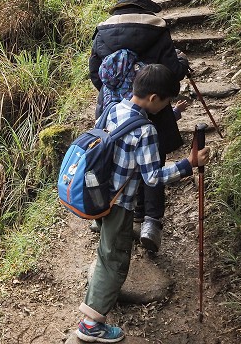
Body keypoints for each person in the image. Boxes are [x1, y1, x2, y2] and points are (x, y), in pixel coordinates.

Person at [74, 64, 210, 343]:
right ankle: (91, 325)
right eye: (166, 101)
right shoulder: (146, 130)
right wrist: (189, 164)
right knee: (114, 261)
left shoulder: (113, 108)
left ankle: (93, 305)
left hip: (97, 193)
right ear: (153, 98)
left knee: (107, 252)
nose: (166, 106)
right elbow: (153, 178)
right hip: (120, 202)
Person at [88, 0, 190, 252]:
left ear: (121, 4)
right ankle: (150, 222)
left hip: (113, 107)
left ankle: (109, 210)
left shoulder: (102, 30)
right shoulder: (157, 28)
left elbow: (94, 74)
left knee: (114, 158)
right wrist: (182, 64)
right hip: (151, 105)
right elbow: (170, 73)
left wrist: (116, 95)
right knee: (151, 161)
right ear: (145, 3)